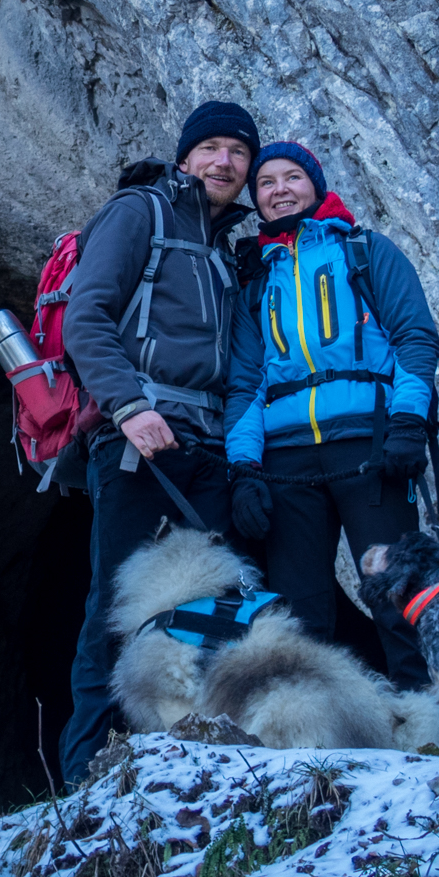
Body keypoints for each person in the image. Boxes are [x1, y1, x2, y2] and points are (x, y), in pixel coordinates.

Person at [57, 100, 259, 785]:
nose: (224, 162)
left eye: (238, 153)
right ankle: (87, 770)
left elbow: (235, 364)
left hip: (207, 447)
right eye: (211, 149)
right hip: (136, 442)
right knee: (114, 608)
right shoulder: (139, 213)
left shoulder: (226, 252)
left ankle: (184, 752)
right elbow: (86, 318)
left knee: (210, 607)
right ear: (185, 157)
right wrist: (129, 406)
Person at [223, 142, 438, 689]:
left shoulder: (365, 252)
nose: (279, 190)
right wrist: (243, 470)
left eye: (292, 177)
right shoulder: (256, 284)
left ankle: (428, 726)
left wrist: (409, 422)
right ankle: (313, 739)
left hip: (371, 450)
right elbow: (245, 382)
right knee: (299, 611)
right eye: (266, 183)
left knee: (397, 592)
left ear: (316, 186)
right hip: (285, 461)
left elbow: (414, 338)